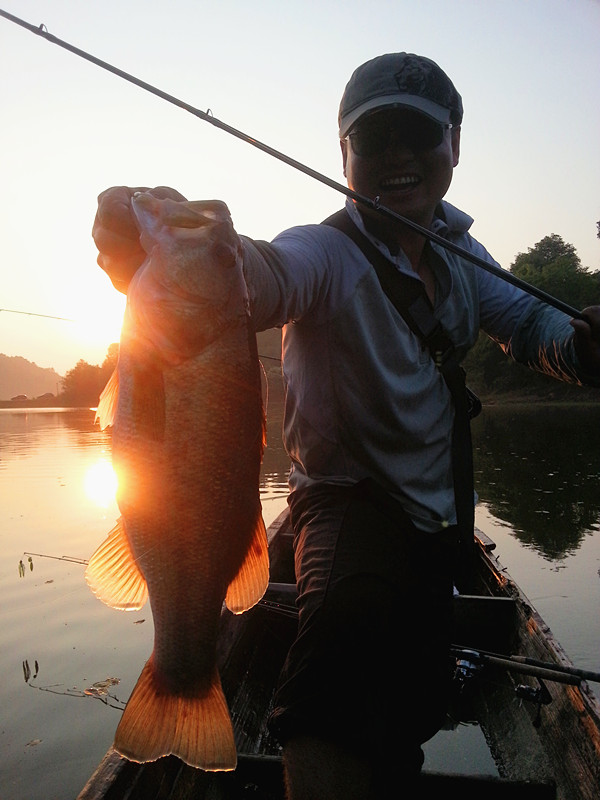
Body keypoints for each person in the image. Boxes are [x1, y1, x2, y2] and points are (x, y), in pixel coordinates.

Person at [92, 52, 600, 799]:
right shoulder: (326, 250)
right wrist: (182, 255)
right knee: (338, 656)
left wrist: (584, 348)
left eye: (415, 134)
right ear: (344, 154)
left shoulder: (464, 257)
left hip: (440, 523)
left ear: (454, 144)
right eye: (372, 138)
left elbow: (530, 325)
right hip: (344, 506)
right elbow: (266, 276)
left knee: (409, 706)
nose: (395, 154)